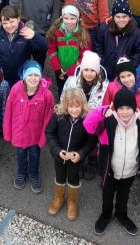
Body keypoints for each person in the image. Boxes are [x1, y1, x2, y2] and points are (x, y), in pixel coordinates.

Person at [84, 87, 140, 236]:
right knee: (107, 195)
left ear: (135, 108)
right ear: (115, 108)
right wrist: (104, 111)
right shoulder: (108, 122)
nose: (124, 112)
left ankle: (121, 214)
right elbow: (88, 125)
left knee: (124, 195)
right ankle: (106, 214)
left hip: (130, 170)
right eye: (120, 108)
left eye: (128, 108)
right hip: (110, 170)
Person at [3, 60, 55, 193]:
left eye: (36, 75)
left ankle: (34, 174)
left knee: (35, 155)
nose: (33, 78)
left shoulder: (47, 95)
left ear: (41, 77)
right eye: (29, 75)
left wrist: (44, 138)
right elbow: (8, 112)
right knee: (20, 154)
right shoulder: (15, 89)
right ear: (24, 76)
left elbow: (48, 118)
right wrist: (8, 133)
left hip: (35, 135)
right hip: (19, 133)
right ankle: (21, 172)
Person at [45, 87, 94, 221]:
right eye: (71, 107)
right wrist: (57, 151)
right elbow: (49, 133)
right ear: (65, 106)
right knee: (59, 176)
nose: (74, 110)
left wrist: (80, 154)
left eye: (77, 106)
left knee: (74, 178)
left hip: (76, 160)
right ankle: (59, 197)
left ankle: (72, 201)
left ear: (83, 105)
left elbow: (91, 142)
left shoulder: (87, 119)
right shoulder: (58, 116)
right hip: (59, 156)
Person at [46, 5, 92, 93]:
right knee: (61, 91)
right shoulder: (56, 32)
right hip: (60, 71)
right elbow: (52, 51)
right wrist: (58, 69)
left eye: (72, 19)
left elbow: (84, 57)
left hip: (76, 72)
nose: (69, 22)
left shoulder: (83, 35)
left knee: (76, 92)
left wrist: (70, 71)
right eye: (66, 18)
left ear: (78, 19)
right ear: (62, 18)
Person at [95, 0, 140, 71]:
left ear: (129, 17)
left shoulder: (136, 33)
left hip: (125, 72)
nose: (121, 20)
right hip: (106, 69)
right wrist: (103, 62)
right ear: (113, 17)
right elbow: (98, 48)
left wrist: (129, 64)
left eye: (124, 16)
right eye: (118, 17)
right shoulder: (104, 29)